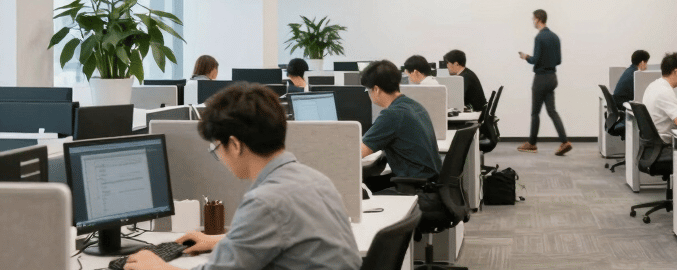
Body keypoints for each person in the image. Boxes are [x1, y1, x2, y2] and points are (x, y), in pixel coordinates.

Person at [124, 83, 361, 270]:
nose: (220, 157)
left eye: (217, 148)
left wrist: (158, 267)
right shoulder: (316, 179)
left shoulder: (264, 202)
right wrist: (222, 241)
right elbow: (286, 237)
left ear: (235, 145)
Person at [360, 60, 442, 193]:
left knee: (357, 192)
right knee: (368, 183)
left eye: (367, 90)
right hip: (429, 183)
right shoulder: (414, 106)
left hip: (415, 188)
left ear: (376, 89)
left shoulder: (392, 114)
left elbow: (357, 153)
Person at [517, 9, 571, 156]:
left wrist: (525, 56)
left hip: (540, 78)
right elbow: (558, 60)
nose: (532, 21)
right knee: (552, 111)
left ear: (538, 19)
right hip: (553, 77)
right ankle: (565, 141)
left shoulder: (539, 38)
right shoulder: (555, 37)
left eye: (533, 19)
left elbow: (535, 60)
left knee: (535, 113)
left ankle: (532, 144)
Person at [641, 52, 677, 142]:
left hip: (653, 141)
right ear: (676, 72)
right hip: (664, 143)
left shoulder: (654, 85)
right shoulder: (664, 91)